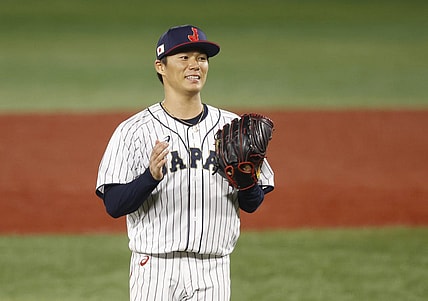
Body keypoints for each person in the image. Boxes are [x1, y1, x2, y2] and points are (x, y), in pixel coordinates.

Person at [95, 24, 274, 301]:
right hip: (154, 268)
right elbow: (114, 205)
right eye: (184, 57)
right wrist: (149, 178)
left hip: (213, 269)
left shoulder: (232, 127)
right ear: (161, 67)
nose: (195, 65)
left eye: (201, 58)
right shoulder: (134, 131)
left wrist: (246, 181)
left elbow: (253, 204)